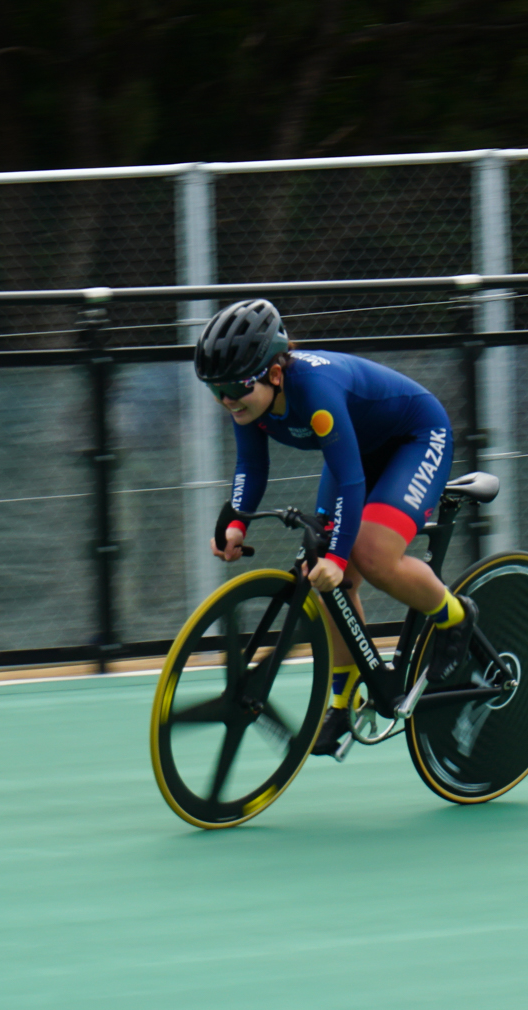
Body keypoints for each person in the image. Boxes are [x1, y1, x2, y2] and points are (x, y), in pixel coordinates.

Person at [195, 298, 477, 759]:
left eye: (234, 386)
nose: (226, 399)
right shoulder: (247, 403)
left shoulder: (316, 393)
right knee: (319, 571)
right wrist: (236, 522)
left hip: (415, 437)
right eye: (215, 389)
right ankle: (343, 703)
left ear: (275, 373)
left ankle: (456, 616)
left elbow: (349, 480)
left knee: (368, 556)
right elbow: (251, 464)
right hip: (357, 447)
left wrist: (340, 557)